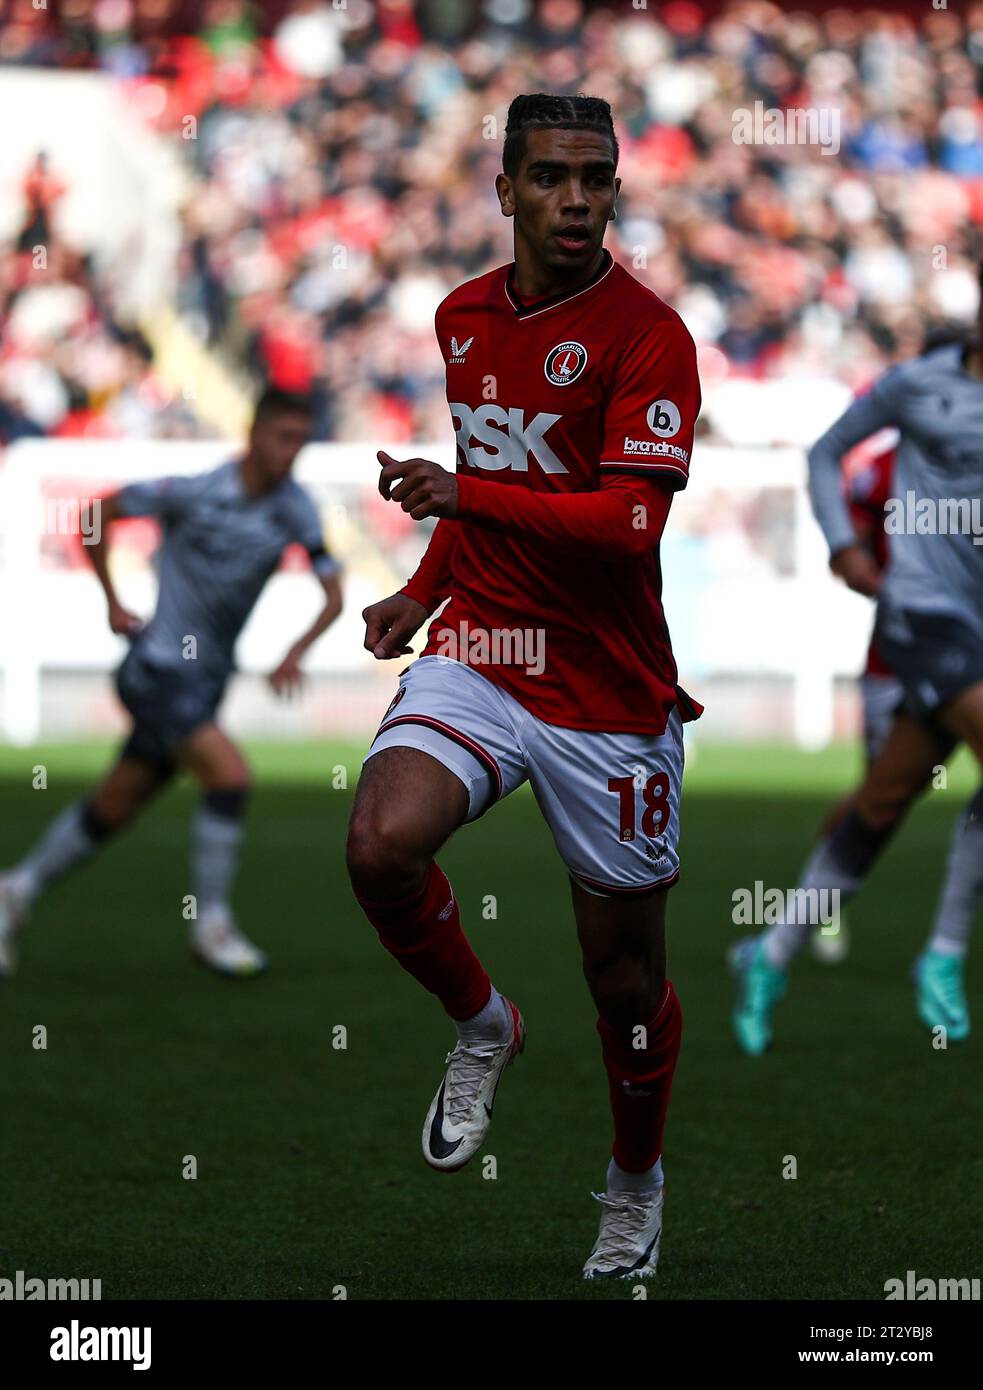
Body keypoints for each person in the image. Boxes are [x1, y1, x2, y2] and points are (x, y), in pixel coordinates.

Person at [345, 93, 702, 1279]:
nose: (574, 199)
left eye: (594, 179)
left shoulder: (648, 336)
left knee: (626, 981)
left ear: (615, 191)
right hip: (485, 650)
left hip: (604, 689)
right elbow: (490, 478)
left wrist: (463, 501)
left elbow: (625, 520)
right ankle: (482, 1022)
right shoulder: (459, 318)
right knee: (380, 842)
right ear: (504, 191)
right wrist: (424, 590)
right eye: (548, 178)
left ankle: (632, 1185)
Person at [0, 388, 343, 978]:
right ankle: (211, 924)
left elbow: (334, 593)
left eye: (300, 441)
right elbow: (95, 513)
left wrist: (296, 651)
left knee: (115, 803)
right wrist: (111, 599)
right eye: (282, 436)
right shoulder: (194, 489)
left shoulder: (297, 508)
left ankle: (16, 889)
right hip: (157, 668)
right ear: (254, 432)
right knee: (230, 775)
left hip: (205, 681)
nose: (290, 452)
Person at [731, 303, 983, 1052]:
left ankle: (770, 951)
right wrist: (842, 545)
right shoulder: (915, 385)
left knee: (881, 798)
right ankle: (942, 952)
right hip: (921, 614)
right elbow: (821, 454)